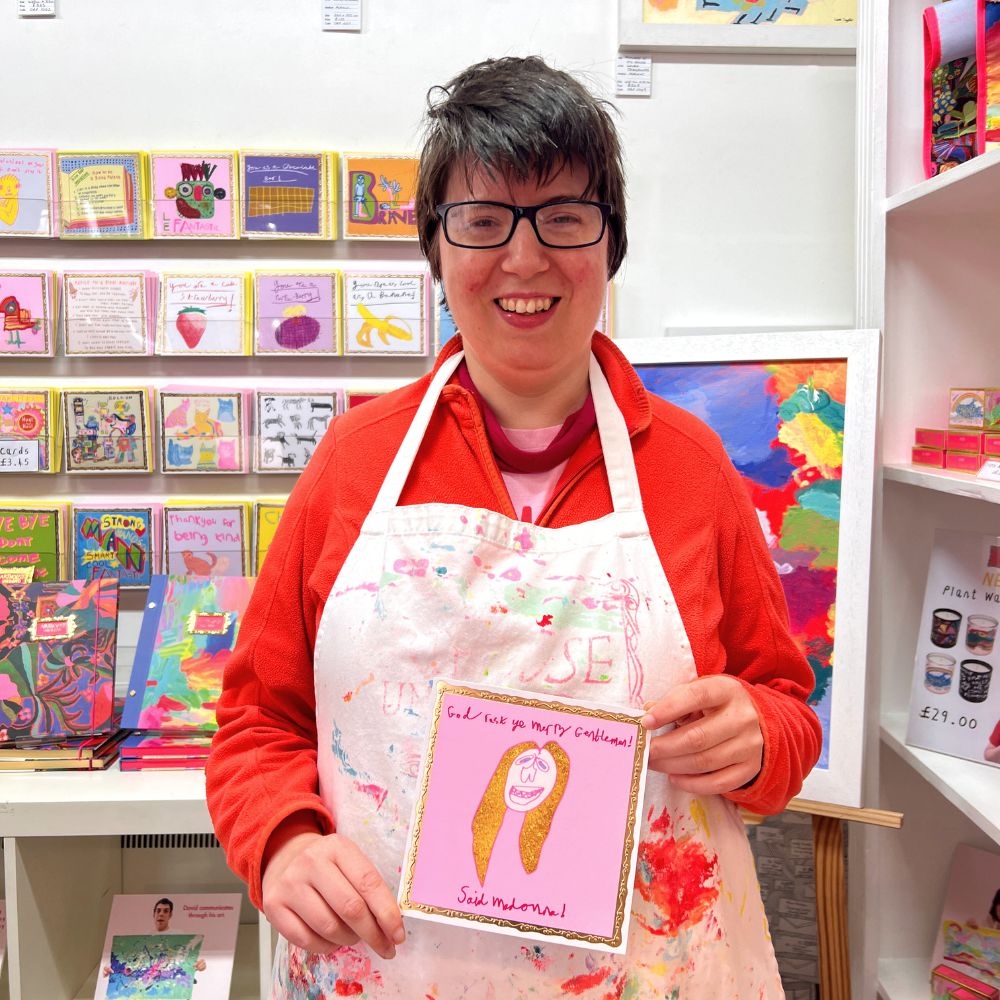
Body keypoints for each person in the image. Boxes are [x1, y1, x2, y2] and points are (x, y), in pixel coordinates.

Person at [206, 55, 821, 998]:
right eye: (484, 222)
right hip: (390, 966)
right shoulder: (354, 463)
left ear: (610, 245)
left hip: (651, 969)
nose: (524, 260)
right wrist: (282, 843)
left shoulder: (691, 469)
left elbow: (782, 697)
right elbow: (258, 719)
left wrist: (761, 740)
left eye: (563, 219)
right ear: (436, 249)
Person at [103, 898, 207, 975]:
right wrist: (111, 969)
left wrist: (199, 964)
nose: (161, 914)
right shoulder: (144, 937)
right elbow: (133, 965)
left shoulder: (178, 936)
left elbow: (189, 960)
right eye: (158, 911)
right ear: (154, 914)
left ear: (170, 915)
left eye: (166, 911)